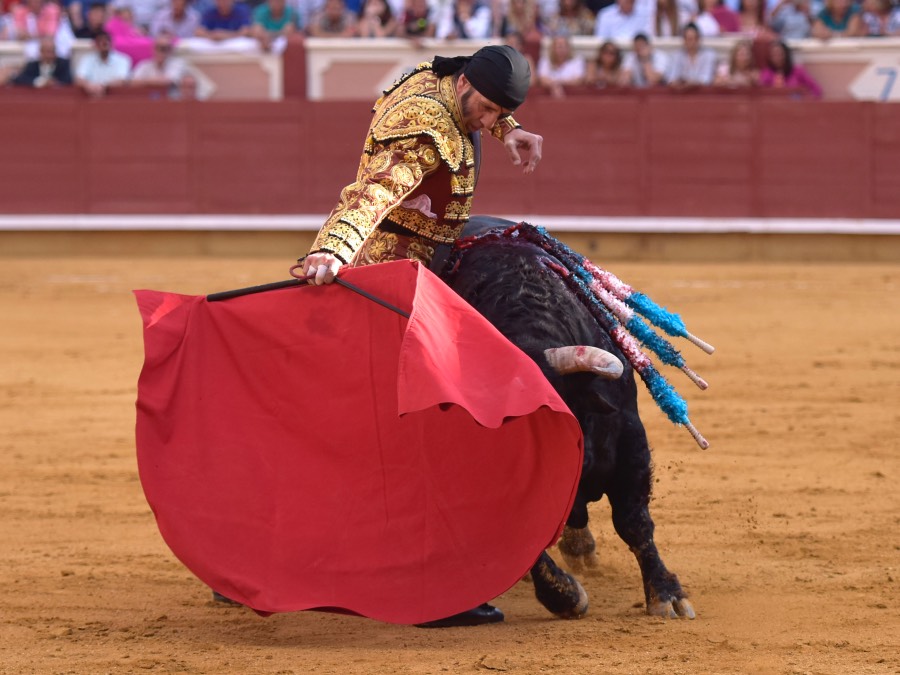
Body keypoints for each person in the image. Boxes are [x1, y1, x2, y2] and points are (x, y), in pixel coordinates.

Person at [301, 45, 542, 309]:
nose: (488, 121)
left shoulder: (441, 77)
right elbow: (379, 189)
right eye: (486, 108)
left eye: (501, 113)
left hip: (421, 245)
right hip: (391, 260)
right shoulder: (426, 130)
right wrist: (334, 247)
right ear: (463, 82)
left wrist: (508, 128)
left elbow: (484, 104)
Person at [74, 28, 132, 95]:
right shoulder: (87, 59)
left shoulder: (123, 60)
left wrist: (103, 86)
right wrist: (89, 86)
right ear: (95, 45)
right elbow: (79, 79)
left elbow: (123, 80)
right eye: (100, 41)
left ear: (112, 44)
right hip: (90, 96)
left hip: (116, 98)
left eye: (107, 41)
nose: (104, 43)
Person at [666, 21, 716, 86]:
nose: (688, 42)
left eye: (691, 39)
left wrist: (690, 83)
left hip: (701, 93)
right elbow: (671, 78)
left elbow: (706, 79)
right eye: (686, 39)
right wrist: (679, 83)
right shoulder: (677, 55)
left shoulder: (709, 55)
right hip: (681, 93)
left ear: (698, 39)